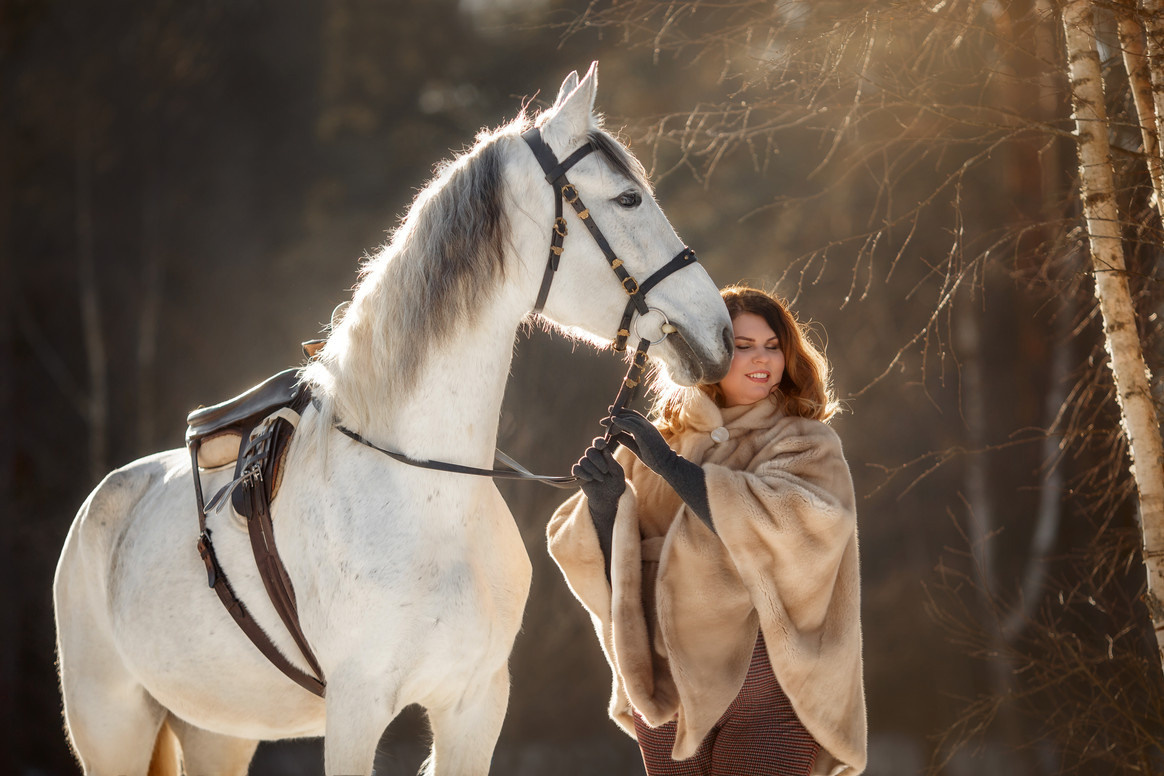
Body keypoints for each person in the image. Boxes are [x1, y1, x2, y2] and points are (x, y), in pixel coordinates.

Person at [546, 285, 867, 775]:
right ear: (707, 353)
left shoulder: (805, 441)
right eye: (742, 347)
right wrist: (607, 503)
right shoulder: (659, 443)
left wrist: (672, 468)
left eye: (773, 346)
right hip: (665, 677)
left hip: (768, 679)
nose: (762, 360)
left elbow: (799, 527)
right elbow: (605, 558)